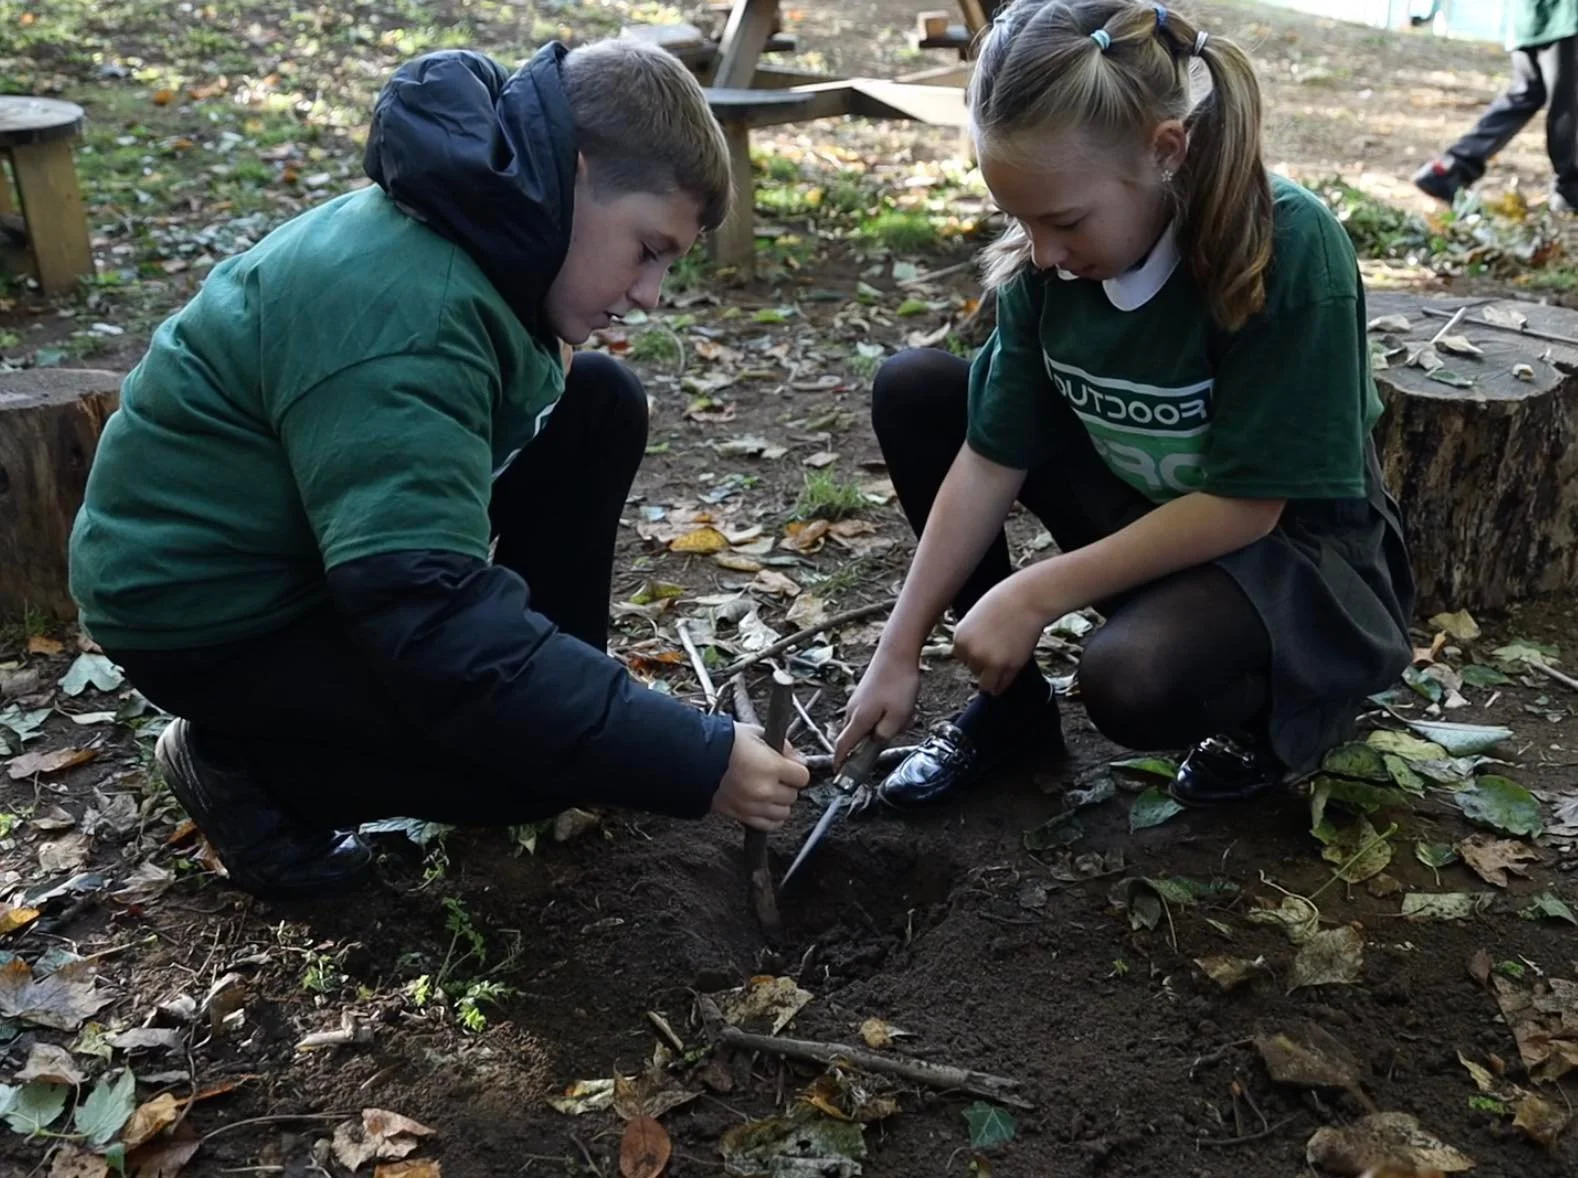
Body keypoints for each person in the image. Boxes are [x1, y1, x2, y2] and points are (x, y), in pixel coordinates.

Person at [67, 39, 809, 900]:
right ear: (573, 172)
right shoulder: (408, 313)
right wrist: (688, 756)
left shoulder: (484, 216)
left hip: (307, 542)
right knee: (532, 765)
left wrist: (596, 715)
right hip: (205, 609)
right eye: (648, 248)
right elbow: (430, 617)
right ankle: (242, 769)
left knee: (598, 400)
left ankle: (558, 690)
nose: (650, 295)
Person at [834, 0, 1414, 809]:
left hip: (1296, 560)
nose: (1042, 253)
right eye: (1020, 220)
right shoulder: (1051, 263)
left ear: (1164, 150)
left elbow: (1248, 510)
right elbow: (991, 453)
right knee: (917, 389)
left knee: (1131, 681)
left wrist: (1033, 593)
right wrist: (896, 650)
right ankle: (1010, 714)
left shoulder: (1284, 245)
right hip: (1150, 509)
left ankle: (1281, 713)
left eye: (1064, 221)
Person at [1412, 0, 1578, 210]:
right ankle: (1569, 190)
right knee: (1567, 104)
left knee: (1526, 94)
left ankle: (1451, 168)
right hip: (1564, 18)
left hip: (1529, 19)